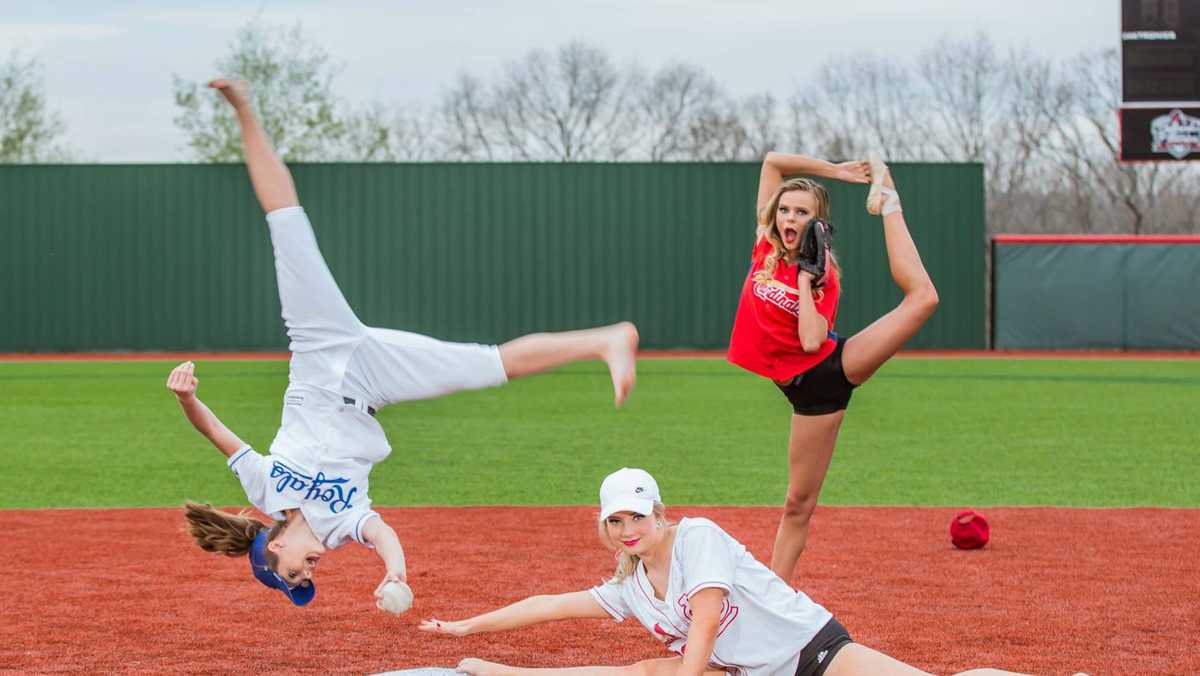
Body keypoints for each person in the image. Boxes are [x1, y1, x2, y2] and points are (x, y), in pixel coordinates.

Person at [167, 79, 639, 608]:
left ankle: (245, 109)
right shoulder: (343, 527)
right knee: (488, 365)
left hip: (320, 348)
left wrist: (187, 398)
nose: (306, 577)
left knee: (287, 228)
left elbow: (217, 433)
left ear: (273, 547)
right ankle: (604, 340)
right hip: (375, 380)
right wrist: (395, 573)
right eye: (304, 583)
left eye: (294, 575)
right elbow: (383, 535)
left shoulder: (264, 490)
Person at [418, 468, 1035, 676]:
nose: (627, 530)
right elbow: (550, 604)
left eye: (637, 517)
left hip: (814, 653)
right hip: (750, 673)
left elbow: (707, 619)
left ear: (659, 515)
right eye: (615, 522)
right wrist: (467, 630)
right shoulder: (632, 585)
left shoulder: (699, 536)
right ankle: (499, 672)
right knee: (638, 671)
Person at [726, 152, 938, 581]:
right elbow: (772, 163)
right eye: (784, 209)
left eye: (801, 213)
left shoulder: (824, 278)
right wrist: (837, 172)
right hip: (795, 376)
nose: (789, 217)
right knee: (795, 504)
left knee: (797, 504)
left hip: (822, 380)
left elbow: (809, 341)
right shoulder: (765, 245)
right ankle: (775, 599)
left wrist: (806, 281)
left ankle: (890, 200)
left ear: (816, 224)